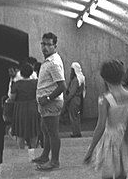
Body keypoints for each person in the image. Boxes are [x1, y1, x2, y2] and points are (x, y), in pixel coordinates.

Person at [33, 32, 66, 171]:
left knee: (52, 132)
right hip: (45, 103)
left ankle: (54, 161)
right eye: (43, 44)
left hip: (51, 103)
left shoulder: (53, 63)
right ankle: (45, 155)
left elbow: (62, 86)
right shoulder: (48, 61)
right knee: (45, 130)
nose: (45, 47)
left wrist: (47, 98)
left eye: (48, 45)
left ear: (55, 46)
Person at [10, 62, 40, 150]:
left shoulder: (16, 84)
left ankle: (21, 150)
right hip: (33, 107)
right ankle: (33, 150)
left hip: (20, 108)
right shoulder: (36, 82)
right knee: (33, 130)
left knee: (20, 131)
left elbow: (12, 97)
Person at [63, 62, 85, 137]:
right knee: (77, 117)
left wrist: (66, 100)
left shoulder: (75, 80)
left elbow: (72, 92)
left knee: (73, 117)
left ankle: (75, 132)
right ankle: (77, 131)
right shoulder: (81, 78)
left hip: (73, 100)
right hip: (78, 99)